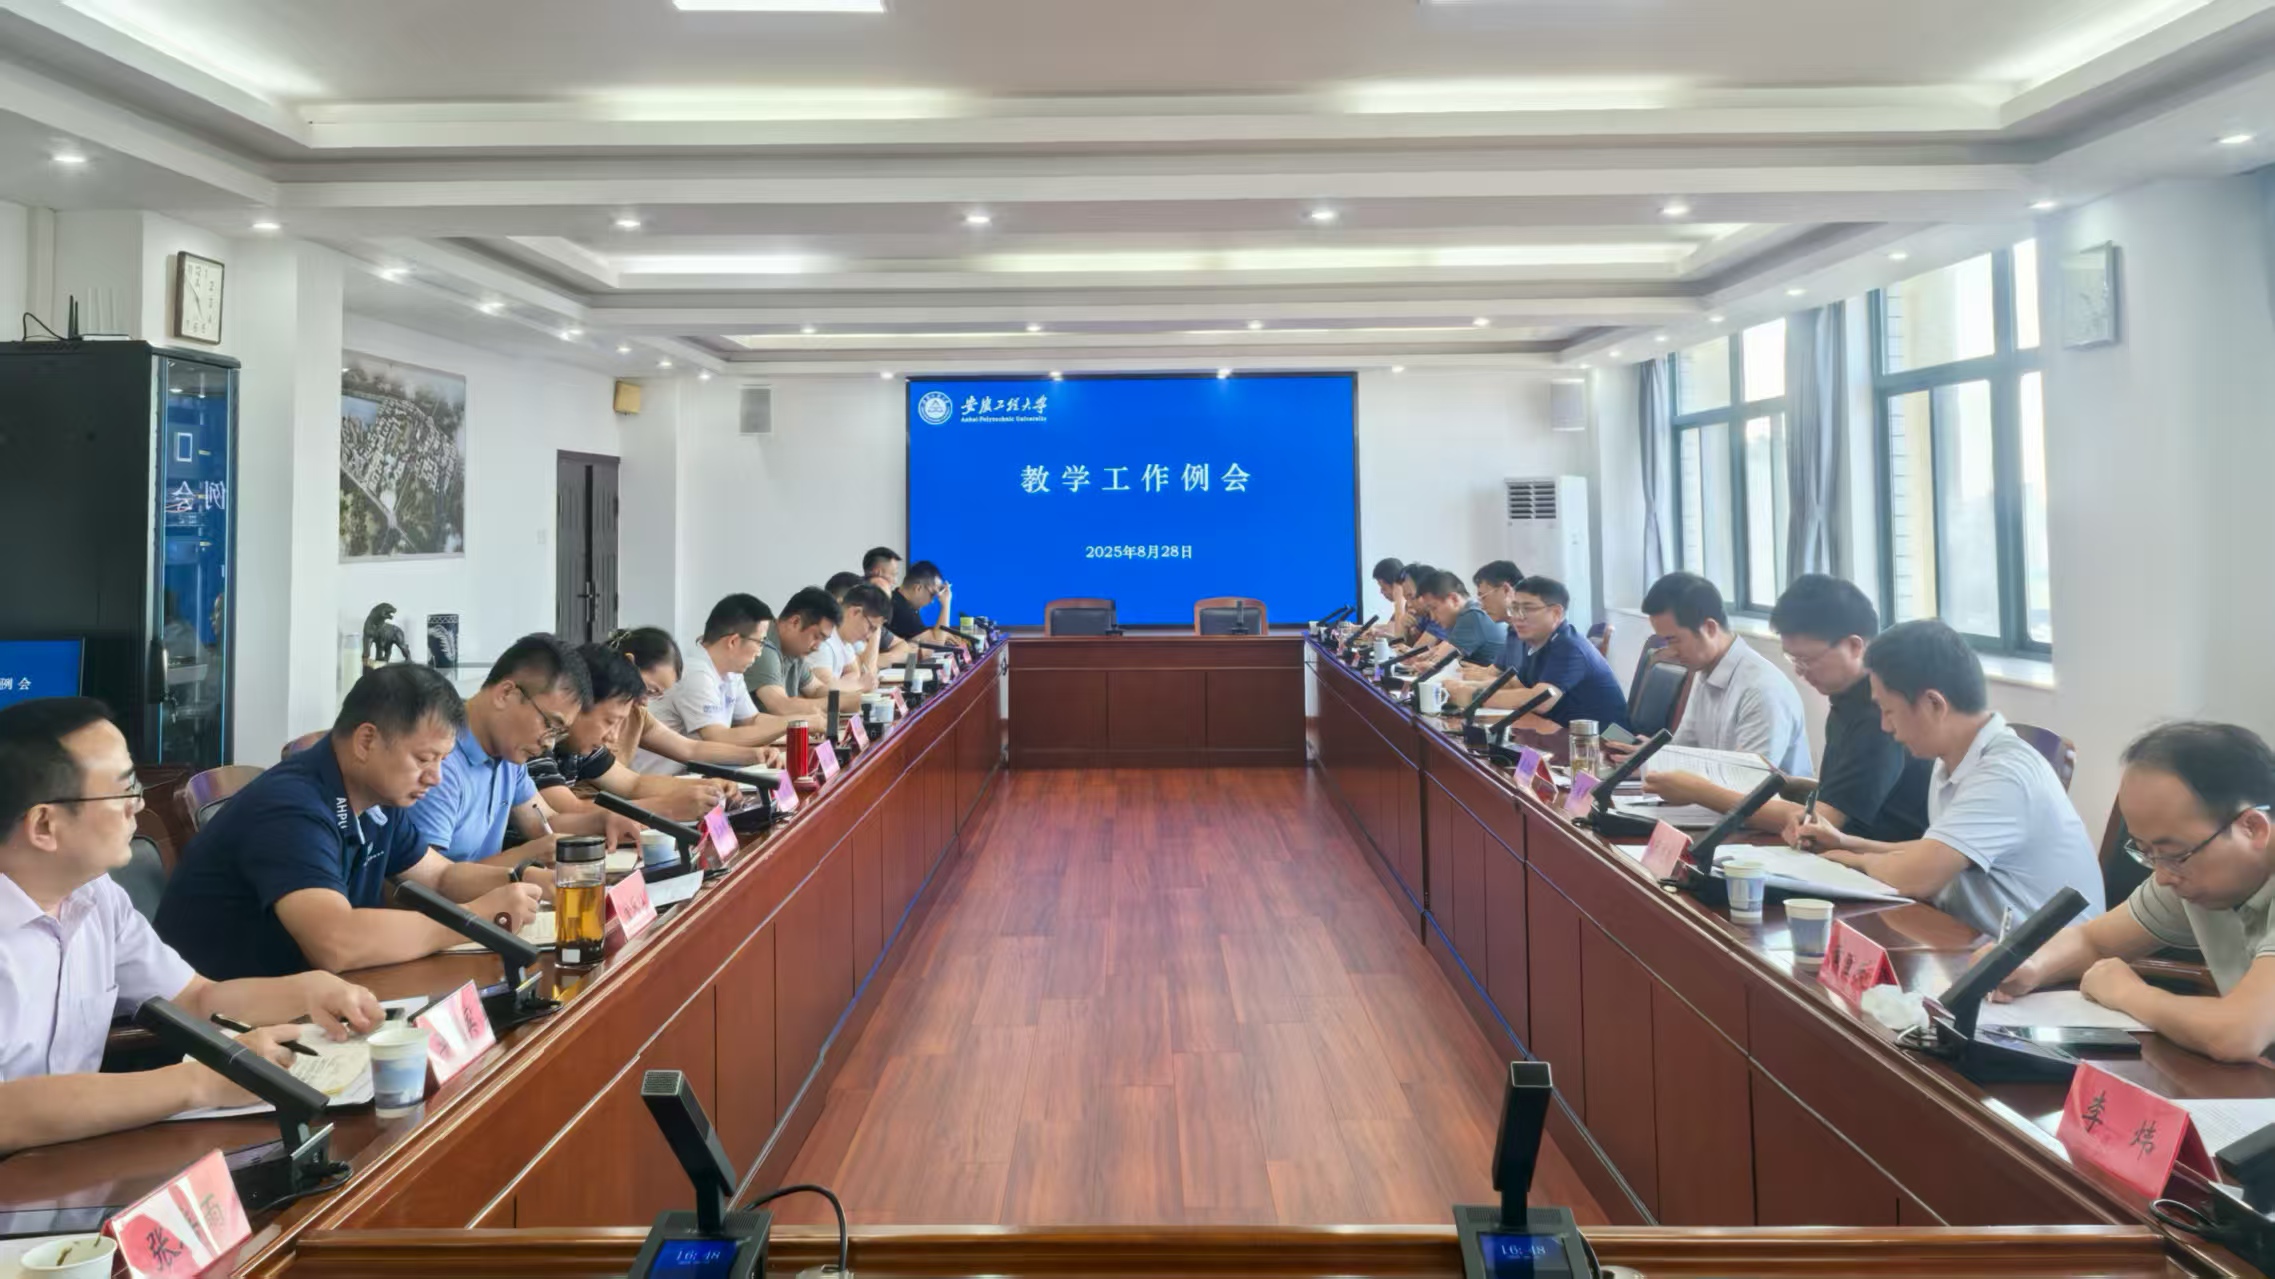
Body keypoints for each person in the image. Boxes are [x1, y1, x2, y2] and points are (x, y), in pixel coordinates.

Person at [1, 698, 384, 1154]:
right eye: (122, 792)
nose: (138, 805)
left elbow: (194, 998)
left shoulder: (96, 896)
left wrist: (307, 990)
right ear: (44, 824)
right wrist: (199, 1082)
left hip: (68, 1158)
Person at [156, 666, 544, 980]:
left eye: (442, 760)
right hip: (219, 1026)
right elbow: (334, 942)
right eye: (425, 759)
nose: (436, 777)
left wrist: (527, 881)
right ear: (366, 741)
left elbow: (440, 877)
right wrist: (475, 919)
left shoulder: (378, 797)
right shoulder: (292, 807)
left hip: (306, 999)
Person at [1793, 620, 2101, 938]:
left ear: (1933, 704)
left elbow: (1915, 877)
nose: (1885, 726)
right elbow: (1934, 851)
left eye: (1889, 711)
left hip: (2048, 959)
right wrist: (1846, 843)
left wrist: (1856, 861)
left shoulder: (2004, 773)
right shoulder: (1951, 761)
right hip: (1985, 942)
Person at [1991, 723, 2275, 1063]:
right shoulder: (2188, 874)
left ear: (2252, 828)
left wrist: (2128, 992)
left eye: (2174, 854)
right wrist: (2030, 964)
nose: (2162, 877)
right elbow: (2093, 941)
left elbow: (2238, 1033)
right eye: (2147, 852)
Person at [1645, 575, 1929, 840]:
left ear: (1854, 646)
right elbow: (1842, 796)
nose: (1800, 671)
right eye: (1794, 659)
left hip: (1874, 864)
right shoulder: (1847, 699)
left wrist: (1699, 791)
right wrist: (1786, 783)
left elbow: (1820, 823)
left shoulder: (1878, 714)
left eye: (1808, 659)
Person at [409, 634, 630, 866]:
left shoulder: (507, 755)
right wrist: (526, 857)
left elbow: (544, 822)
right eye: (549, 724)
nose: (549, 744)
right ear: (506, 694)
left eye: (559, 733)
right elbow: (430, 878)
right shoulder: (439, 763)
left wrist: (603, 821)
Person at [1621, 572, 1810, 776]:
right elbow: (1686, 749)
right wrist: (1654, 758)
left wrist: (1659, 767)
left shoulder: (1762, 690)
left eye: (1674, 640)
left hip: (1757, 796)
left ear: (1710, 628)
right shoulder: (1705, 671)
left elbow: (1748, 781)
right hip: (1715, 794)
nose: (1670, 652)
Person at [528, 646, 737, 824]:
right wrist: (667, 807)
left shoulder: (581, 744)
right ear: (577, 703)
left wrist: (708, 788)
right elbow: (570, 811)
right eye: (610, 722)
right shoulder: (536, 745)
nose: (612, 737)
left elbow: (633, 784)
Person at [1448, 576, 1628, 730]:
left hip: (1606, 744)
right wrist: (1462, 687)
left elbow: (1541, 700)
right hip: (1563, 734)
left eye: (1527, 609)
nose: (1517, 617)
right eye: (1514, 608)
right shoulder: (1534, 641)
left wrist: (1475, 697)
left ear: (1556, 613)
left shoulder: (1570, 646)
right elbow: (1516, 683)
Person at [639, 595, 794, 772]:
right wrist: (792, 724)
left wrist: (798, 725)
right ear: (733, 641)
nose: (760, 652)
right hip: (665, 778)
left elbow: (752, 720)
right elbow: (718, 738)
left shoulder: (732, 673)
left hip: (694, 776)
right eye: (760, 642)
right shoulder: (695, 672)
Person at [605, 628, 784, 775]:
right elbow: (630, 786)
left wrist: (755, 754)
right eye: (649, 690)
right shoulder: (596, 710)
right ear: (629, 663)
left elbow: (690, 749)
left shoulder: (639, 716)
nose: (645, 702)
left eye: (655, 695)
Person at [749, 587, 845, 718]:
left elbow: (816, 690)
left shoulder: (794, 652)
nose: (817, 647)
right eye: (816, 636)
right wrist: (843, 702)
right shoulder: (762, 648)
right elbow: (782, 707)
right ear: (795, 622)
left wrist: (857, 698)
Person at [1413, 570, 1506, 666]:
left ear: (1454, 599)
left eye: (1434, 608)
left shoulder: (1473, 616)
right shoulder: (1465, 615)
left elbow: (1435, 664)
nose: (1432, 617)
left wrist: (1420, 661)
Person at [813, 575, 886, 693]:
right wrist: (859, 684)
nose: (868, 636)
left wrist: (850, 684)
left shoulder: (844, 640)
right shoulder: (822, 639)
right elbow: (825, 690)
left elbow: (855, 672)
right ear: (855, 612)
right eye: (870, 627)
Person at [888, 561, 967, 650]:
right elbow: (936, 644)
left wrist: (944, 634)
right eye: (932, 594)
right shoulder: (903, 611)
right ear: (918, 588)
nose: (932, 601)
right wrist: (946, 603)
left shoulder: (897, 598)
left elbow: (923, 634)